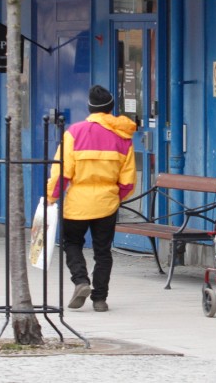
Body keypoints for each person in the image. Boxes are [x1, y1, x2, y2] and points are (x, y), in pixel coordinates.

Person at [46, 85, 137, 312]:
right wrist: (115, 197)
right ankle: (99, 299)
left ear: (89, 107)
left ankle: (81, 281)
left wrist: (52, 197)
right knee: (103, 251)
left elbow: (62, 172)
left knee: (72, 243)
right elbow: (128, 182)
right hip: (107, 204)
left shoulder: (73, 133)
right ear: (111, 108)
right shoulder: (123, 137)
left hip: (77, 203)